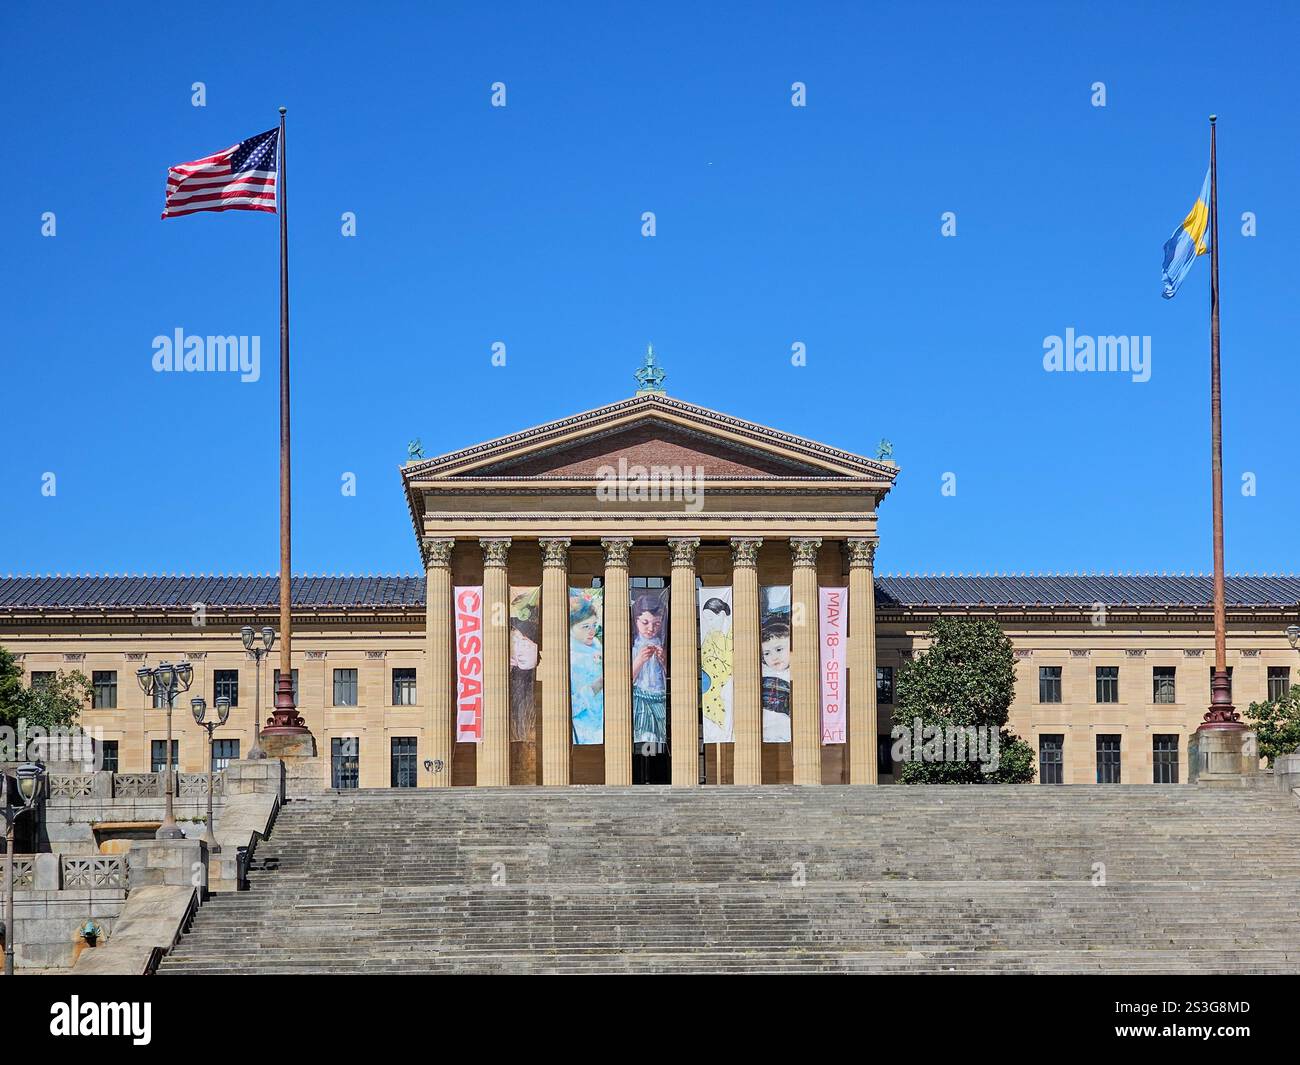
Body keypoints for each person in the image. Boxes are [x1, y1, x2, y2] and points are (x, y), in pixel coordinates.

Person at [631, 592, 668, 748]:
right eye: (645, 622)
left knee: (659, 737)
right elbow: (625, 680)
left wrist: (664, 661)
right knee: (645, 735)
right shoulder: (633, 648)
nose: (651, 629)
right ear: (635, 620)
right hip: (641, 699)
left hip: (660, 699)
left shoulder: (663, 646)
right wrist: (639, 661)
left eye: (657, 624)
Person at [569, 593, 604, 745]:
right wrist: (596, 686)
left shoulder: (598, 646)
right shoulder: (570, 656)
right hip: (583, 731)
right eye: (585, 626)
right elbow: (569, 706)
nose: (592, 631)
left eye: (594, 625)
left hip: (604, 725)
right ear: (570, 627)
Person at [699, 596, 733, 742]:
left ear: (723, 614)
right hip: (714, 692)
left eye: (711, 619)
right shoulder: (710, 637)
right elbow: (707, 662)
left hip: (730, 690)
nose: (709, 624)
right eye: (706, 620)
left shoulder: (735, 634)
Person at [761, 619, 792, 742]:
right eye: (767, 653)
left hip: (787, 732)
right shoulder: (761, 671)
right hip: (761, 731)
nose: (773, 657)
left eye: (779, 649)